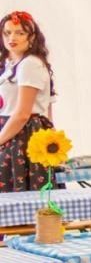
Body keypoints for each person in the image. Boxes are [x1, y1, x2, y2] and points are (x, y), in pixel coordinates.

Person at [0, 11, 56, 192]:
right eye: (7, 32)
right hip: (11, 129)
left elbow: (23, 113)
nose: (12, 38)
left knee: (17, 189)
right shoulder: (11, 64)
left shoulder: (30, 64)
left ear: (31, 37)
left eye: (19, 33)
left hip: (22, 134)